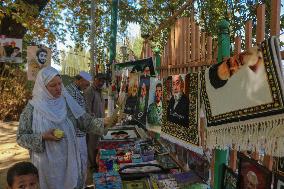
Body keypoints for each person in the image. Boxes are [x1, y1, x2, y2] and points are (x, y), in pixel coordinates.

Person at [17, 67, 118, 189]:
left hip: (69, 162)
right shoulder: (32, 109)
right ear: (42, 87)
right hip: (46, 166)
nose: (58, 88)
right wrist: (43, 136)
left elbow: (85, 121)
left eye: (60, 84)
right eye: (53, 85)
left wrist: (104, 122)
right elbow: (21, 137)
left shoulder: (67, 103)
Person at [65, 71, 92, 187]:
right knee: (80, 162)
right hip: (76, 134)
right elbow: (77, 115)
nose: (88, 85)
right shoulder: (71, 92)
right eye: (87, 83)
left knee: (81, 162)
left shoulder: (76, 90)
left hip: (80, 133)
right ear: (80, 80)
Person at [84, 73, 107, 172]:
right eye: (99, 80)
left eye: (103, 81)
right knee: (92, 146)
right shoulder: (90, 91)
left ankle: (96, 164)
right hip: (92, 124)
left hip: (100, 123)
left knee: (97, 145)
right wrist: (93, 121)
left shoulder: (100, 91)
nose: (101, 82)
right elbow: (87, 109)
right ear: (94, 79)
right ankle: (92, 166)